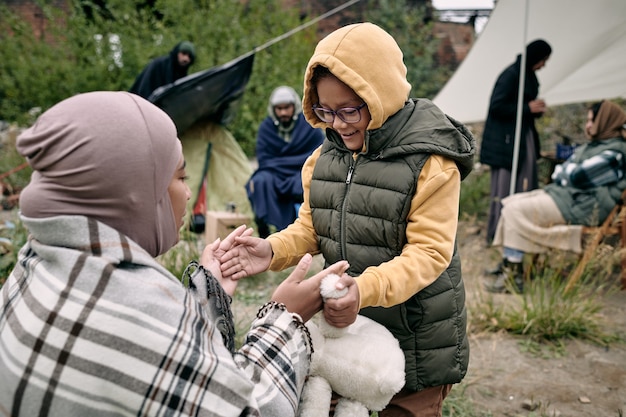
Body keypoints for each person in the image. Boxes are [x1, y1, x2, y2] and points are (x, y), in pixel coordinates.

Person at [0, 91, 351, 416]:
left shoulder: (32, 268)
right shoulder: (135, 315)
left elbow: (170, 370)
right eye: (181, 177)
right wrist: (285, 318)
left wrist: (207, 294)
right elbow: (250, 408)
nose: (187, 194)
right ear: (136, 192)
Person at [220, 22, 475, 417]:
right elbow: (311, 226)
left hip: (417, 336)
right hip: (350, 329)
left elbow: (429, 253)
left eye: (349, 110)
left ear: (382, 94)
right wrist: (270, 250)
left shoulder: (431, 163)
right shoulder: (322, 160)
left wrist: (364, 289)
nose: (337, 123)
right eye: (325, 111)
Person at [486, 100, 626, 293]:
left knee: (514, 209)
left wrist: (566, 172)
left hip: (583, 206)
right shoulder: (596, 146)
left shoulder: (616, 152)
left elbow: (577, 176)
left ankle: (514, 274)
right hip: (568, 197)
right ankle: (510, 263)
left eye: (591, 121)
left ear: (605, 121)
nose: (587, 125)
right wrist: (566, 172)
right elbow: (559, 173)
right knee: (511, 202)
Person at [480, 39, 552, 246]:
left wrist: (533, 110)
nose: (544, 65)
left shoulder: (529, 76)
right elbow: (497, 107)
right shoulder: (511, 75)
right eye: (543, 60)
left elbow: (522, 107)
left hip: (523, 139)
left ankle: (520, 231)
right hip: (507, 143)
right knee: (504, 186)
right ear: (535, 57)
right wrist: (528, 108)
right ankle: (498, 233)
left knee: (525, 183)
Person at [246, 86, 325, 238]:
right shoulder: (266, 127)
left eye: (286, 107)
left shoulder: (309, 125)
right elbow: (264, 159)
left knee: (305, 182)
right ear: (273, 109)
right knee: (260, 181)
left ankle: (305, 232)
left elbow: (318, 155)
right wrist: (288, 162)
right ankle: (264, 226)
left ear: (294, 106)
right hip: (274, 173)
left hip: (300, 171)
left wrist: (287, 163)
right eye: (279, 108)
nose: (283, 112)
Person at [129, 40, 196, 99]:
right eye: (183, 53)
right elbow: (144, 87)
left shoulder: (182, 76)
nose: (186, 59)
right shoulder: (159, 64)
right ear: (177, 53)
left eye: (189, 56)